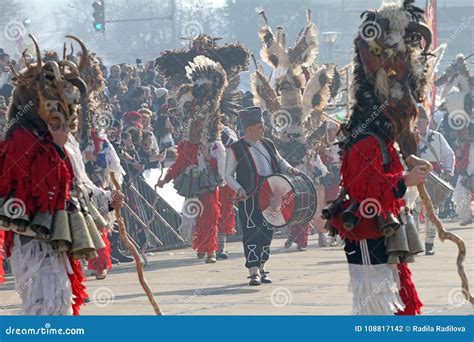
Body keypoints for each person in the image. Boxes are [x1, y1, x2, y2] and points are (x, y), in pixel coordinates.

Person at [225, 106, 300, 286]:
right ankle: (253, 272)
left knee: (267, 232)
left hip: (270, 197)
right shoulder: (235, 149)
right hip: (249, 198)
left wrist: (289, 169)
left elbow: (280, 161)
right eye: (259, 126)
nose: (262, 129)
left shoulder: (268, 143)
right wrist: (238, 188)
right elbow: (227, 175)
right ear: (249, 128)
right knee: (252, 233)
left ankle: (262, 267)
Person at [415, 105, 455, 255]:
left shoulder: (437, 137)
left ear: (427, 121)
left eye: (421, 120)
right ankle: (415, 243)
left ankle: (429, 243)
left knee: (432, 212)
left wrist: (448, 170)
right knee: (413, 211)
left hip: (434, 178)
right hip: (415, 177)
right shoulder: (408, 138)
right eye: (416, 120)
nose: (418, 123)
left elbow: (448, 154)